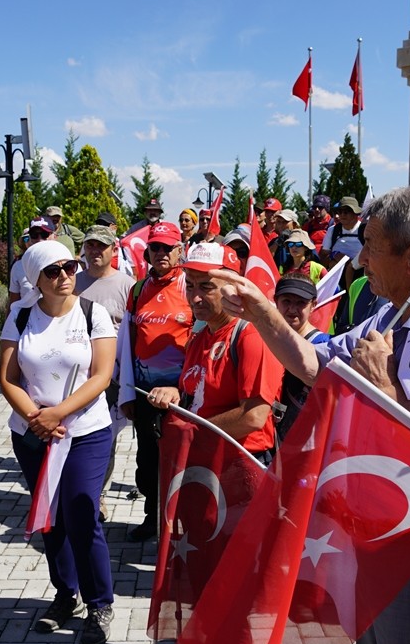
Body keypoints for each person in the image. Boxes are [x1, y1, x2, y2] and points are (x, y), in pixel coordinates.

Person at [212, 186, 410, 644]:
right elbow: (312, 362)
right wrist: (262, 311)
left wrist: (389, 394)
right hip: (381, 533)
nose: (360, 258)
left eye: (372, 245)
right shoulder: (391, 317)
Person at [0, 240, 118, 644]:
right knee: (50, 517)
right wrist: (38, 418)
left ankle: (100, 602)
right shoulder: (20, 315)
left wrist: (58, 413)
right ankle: (66, 595)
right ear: (37, 278)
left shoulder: (92, 313)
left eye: (69, 266)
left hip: (85, 432)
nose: (65, 275)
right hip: (33, 433)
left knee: (83, 513)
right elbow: (8, 378)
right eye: (53, 270)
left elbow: (102, 376)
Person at [145, 242, 282, 464]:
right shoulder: (200, 337)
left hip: (239, 467)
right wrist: (175, 394)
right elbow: (199, 394)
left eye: (206, 287)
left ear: (232, 288)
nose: (195, 297)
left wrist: (192, 434)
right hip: (205, 461)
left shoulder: (251, 336)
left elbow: (254, 417)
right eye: (189, 286)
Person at [116, 222, 193, 541]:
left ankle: (182, 521)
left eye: (167, 248)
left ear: (180, 251)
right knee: (147, 460)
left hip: (185, 395)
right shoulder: (137, 289)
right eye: (155, 248)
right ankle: (152, 517)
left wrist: (186, 389)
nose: (160, 253)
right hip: (146, 393)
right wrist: (127, 392)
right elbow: (129, 340)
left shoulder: (192, 285)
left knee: (184, 460)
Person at [75, 225, 137, 520]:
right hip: (75, 373)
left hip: (112, 376)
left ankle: (97, 495)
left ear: (114, 250)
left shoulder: (128, 286)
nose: (95, 251)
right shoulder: (71, 283)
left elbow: (134, 332)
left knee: (104, 437)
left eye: (102, 246)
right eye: (90, 246)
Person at [270, 273, 329, 445]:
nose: (293, 309)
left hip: (305, 443)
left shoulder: (325, 346)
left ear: (313, 305)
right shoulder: (264, 339)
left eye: (301, 303)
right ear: (275, 301)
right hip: (270, 440)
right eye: (287, 301)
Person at [9, 217, 57, 307]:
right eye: (34, 235)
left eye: (44, 234)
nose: (39, 239)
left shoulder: (68, 265)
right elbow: (13, 303)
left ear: (55, 237)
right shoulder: (18, 266)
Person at [321, 196, 365, 288]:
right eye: (339, 212)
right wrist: (334, 256)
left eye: (346, 212)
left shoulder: (365, 230)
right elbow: (324, 257)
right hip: (338, 276)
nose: (342, 215)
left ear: (355, 213)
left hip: (362, 273)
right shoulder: (333, 231)